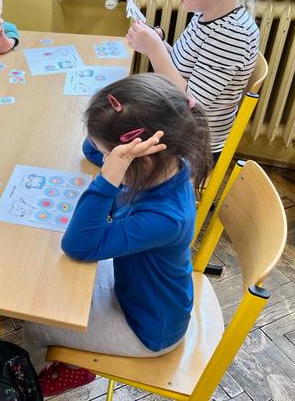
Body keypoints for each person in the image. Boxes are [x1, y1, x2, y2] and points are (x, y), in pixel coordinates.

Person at [23, 74, 213, 397]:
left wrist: (109, 175)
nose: (103, 158)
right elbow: (90, 148)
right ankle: (71, 359)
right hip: (137, 290)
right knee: (48, 286)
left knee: (36, 322)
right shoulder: (163, 162)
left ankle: (29, 383)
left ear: (138, 158)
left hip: (146, 329)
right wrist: (110, 145)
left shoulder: (164, 218)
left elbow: (78, 245)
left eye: (108, 156)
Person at [84, 0, 259, 167]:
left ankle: (141, 187)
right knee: (97, 137)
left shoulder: (231, 34)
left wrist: (155, 50)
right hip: (178, 124)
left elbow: (191, 104)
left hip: (193, 146)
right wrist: (158, 43)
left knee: (97, 145)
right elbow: (183, 67)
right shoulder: (207, 15)